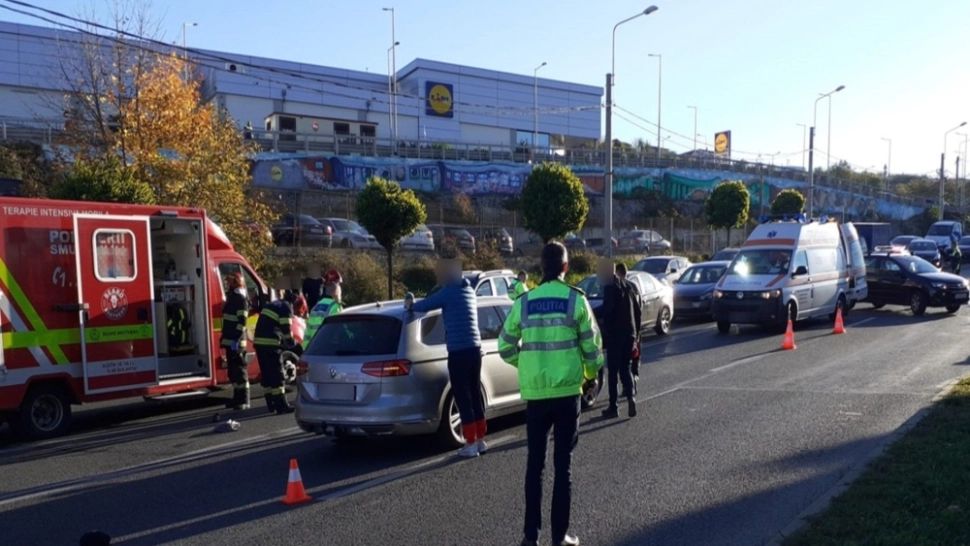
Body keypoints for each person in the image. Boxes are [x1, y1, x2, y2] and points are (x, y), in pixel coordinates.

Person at [498, 242, 604, 546]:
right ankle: (559, 538)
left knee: (535, 466)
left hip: (536, 397)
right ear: (565, 267)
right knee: (563, 466)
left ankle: (530, 537)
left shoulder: (525, 301)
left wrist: (527, 366)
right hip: (568, 394)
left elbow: (505, 346)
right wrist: (590, 376)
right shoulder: (575, 300)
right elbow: (593, 348)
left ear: (540, 267)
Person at [406, 259, 484, 457]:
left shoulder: (449, 292)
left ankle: (470, 443)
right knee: (475, 393)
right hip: (475, 349)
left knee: (463, 396)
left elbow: (425, 305)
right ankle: (480, 440)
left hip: (458, 351)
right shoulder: (469, 290)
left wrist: (410, 304)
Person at [596, 259, 638, 419]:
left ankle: (613, 407)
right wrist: (636, 335)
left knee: (613, 372)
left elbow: (607, 309)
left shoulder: (610, 288)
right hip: (629, 333)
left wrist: (592, 312)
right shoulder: (628, 286)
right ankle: (631, 396)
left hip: (615, 335)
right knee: (626, 367)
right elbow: (636, 310)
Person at [253, 295, 307, 414]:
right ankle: (281, 406)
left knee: (267, 375)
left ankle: (271, 404)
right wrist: (295, 346)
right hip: (270, 344)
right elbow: (286, 331)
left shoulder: (275, 304)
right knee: (277, 376)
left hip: (259, 343)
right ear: (295, 305)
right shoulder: (286, 307)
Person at [220, 272, 251, 410]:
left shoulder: (240, 299)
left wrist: (235, 339)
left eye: (229, 282)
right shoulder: (232, 298)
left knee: (240, 371)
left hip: (237, 342)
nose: (227, 284)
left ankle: (244, 400)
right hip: (230, 341)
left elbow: (242, 322)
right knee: (233, 372)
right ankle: (236, 399)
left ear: (236, 283)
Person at [616, 263, 642, 395]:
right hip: (634, 330)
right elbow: (639, 310)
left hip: (624, 332)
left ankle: (628, 388)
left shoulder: (621, 288)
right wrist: (637, 331)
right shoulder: (633, 287)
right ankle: (633, 382)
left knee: (624, 362)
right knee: (633, 360)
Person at [304, 269, 344, 348]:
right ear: (335, 287)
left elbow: (307, 333)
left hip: (310, 350)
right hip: (326, 349)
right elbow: (340, 332)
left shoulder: (316, 307)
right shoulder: (335, 307)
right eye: (339, 285)